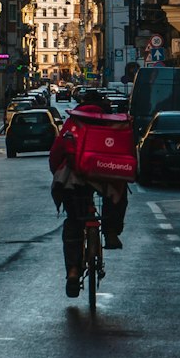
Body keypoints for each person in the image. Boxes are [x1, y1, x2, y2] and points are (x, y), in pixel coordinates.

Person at [48, 89, 131, 298]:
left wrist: (56, 172)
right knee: (118, 196)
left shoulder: (75, 121)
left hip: (75, 177)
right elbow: (125, 149)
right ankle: (111, 232)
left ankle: (73, 272)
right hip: (105, 176)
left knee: (74, 222)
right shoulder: (110, 121)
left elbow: (57, 151)